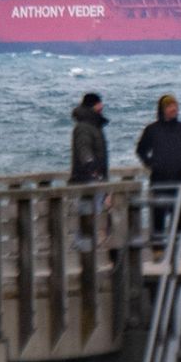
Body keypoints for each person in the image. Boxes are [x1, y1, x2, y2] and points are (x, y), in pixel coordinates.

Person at [136, 94, 181, 237]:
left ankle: (177, 248)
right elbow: (141, 150)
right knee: (158, 217)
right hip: (159, 181)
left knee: (180, 218)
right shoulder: (152, 130)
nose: (174, 109)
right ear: (162, 109)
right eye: (170, 106)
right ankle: (158, 249)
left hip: (180, 180)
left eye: (175, 106)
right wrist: (152, 164)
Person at [69, 92, 110, 250]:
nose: (102, 106)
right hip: (86, 180)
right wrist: (93, 169)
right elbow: (84, 151)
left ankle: (85, 247)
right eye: (99, 103)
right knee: (87, 215)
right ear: (93, 106)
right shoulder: (84, 128)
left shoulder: (94, 126)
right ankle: (81, 248)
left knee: (92, 215)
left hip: (96, 179)